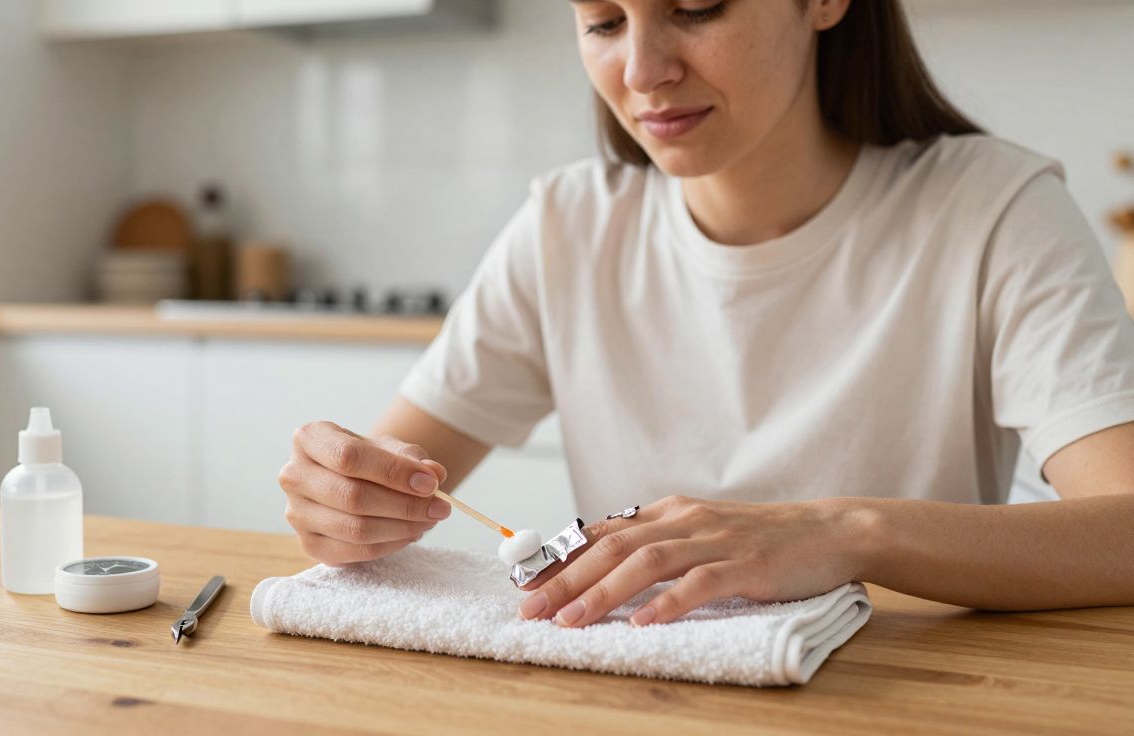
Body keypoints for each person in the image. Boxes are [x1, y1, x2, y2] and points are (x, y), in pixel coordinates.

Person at [277, 0, 1134, 628]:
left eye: (696, 8)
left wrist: (846, 532)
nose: (643, 72)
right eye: (604, 22)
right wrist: (348, 502)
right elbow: (387, 482)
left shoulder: (995, 210)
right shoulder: (568, 224)